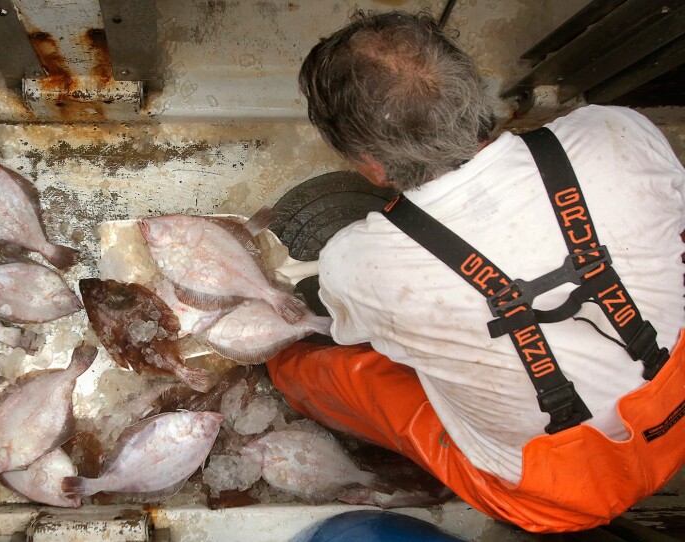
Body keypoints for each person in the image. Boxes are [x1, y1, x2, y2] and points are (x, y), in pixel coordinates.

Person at [267, 10, 685, 533]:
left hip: (552, 498)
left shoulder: (357, 263)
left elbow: (360, 338)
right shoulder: (613, 131)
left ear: (371, 166)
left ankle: (281, 376)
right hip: (675, 409)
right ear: (474, 91)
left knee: (336, 373)